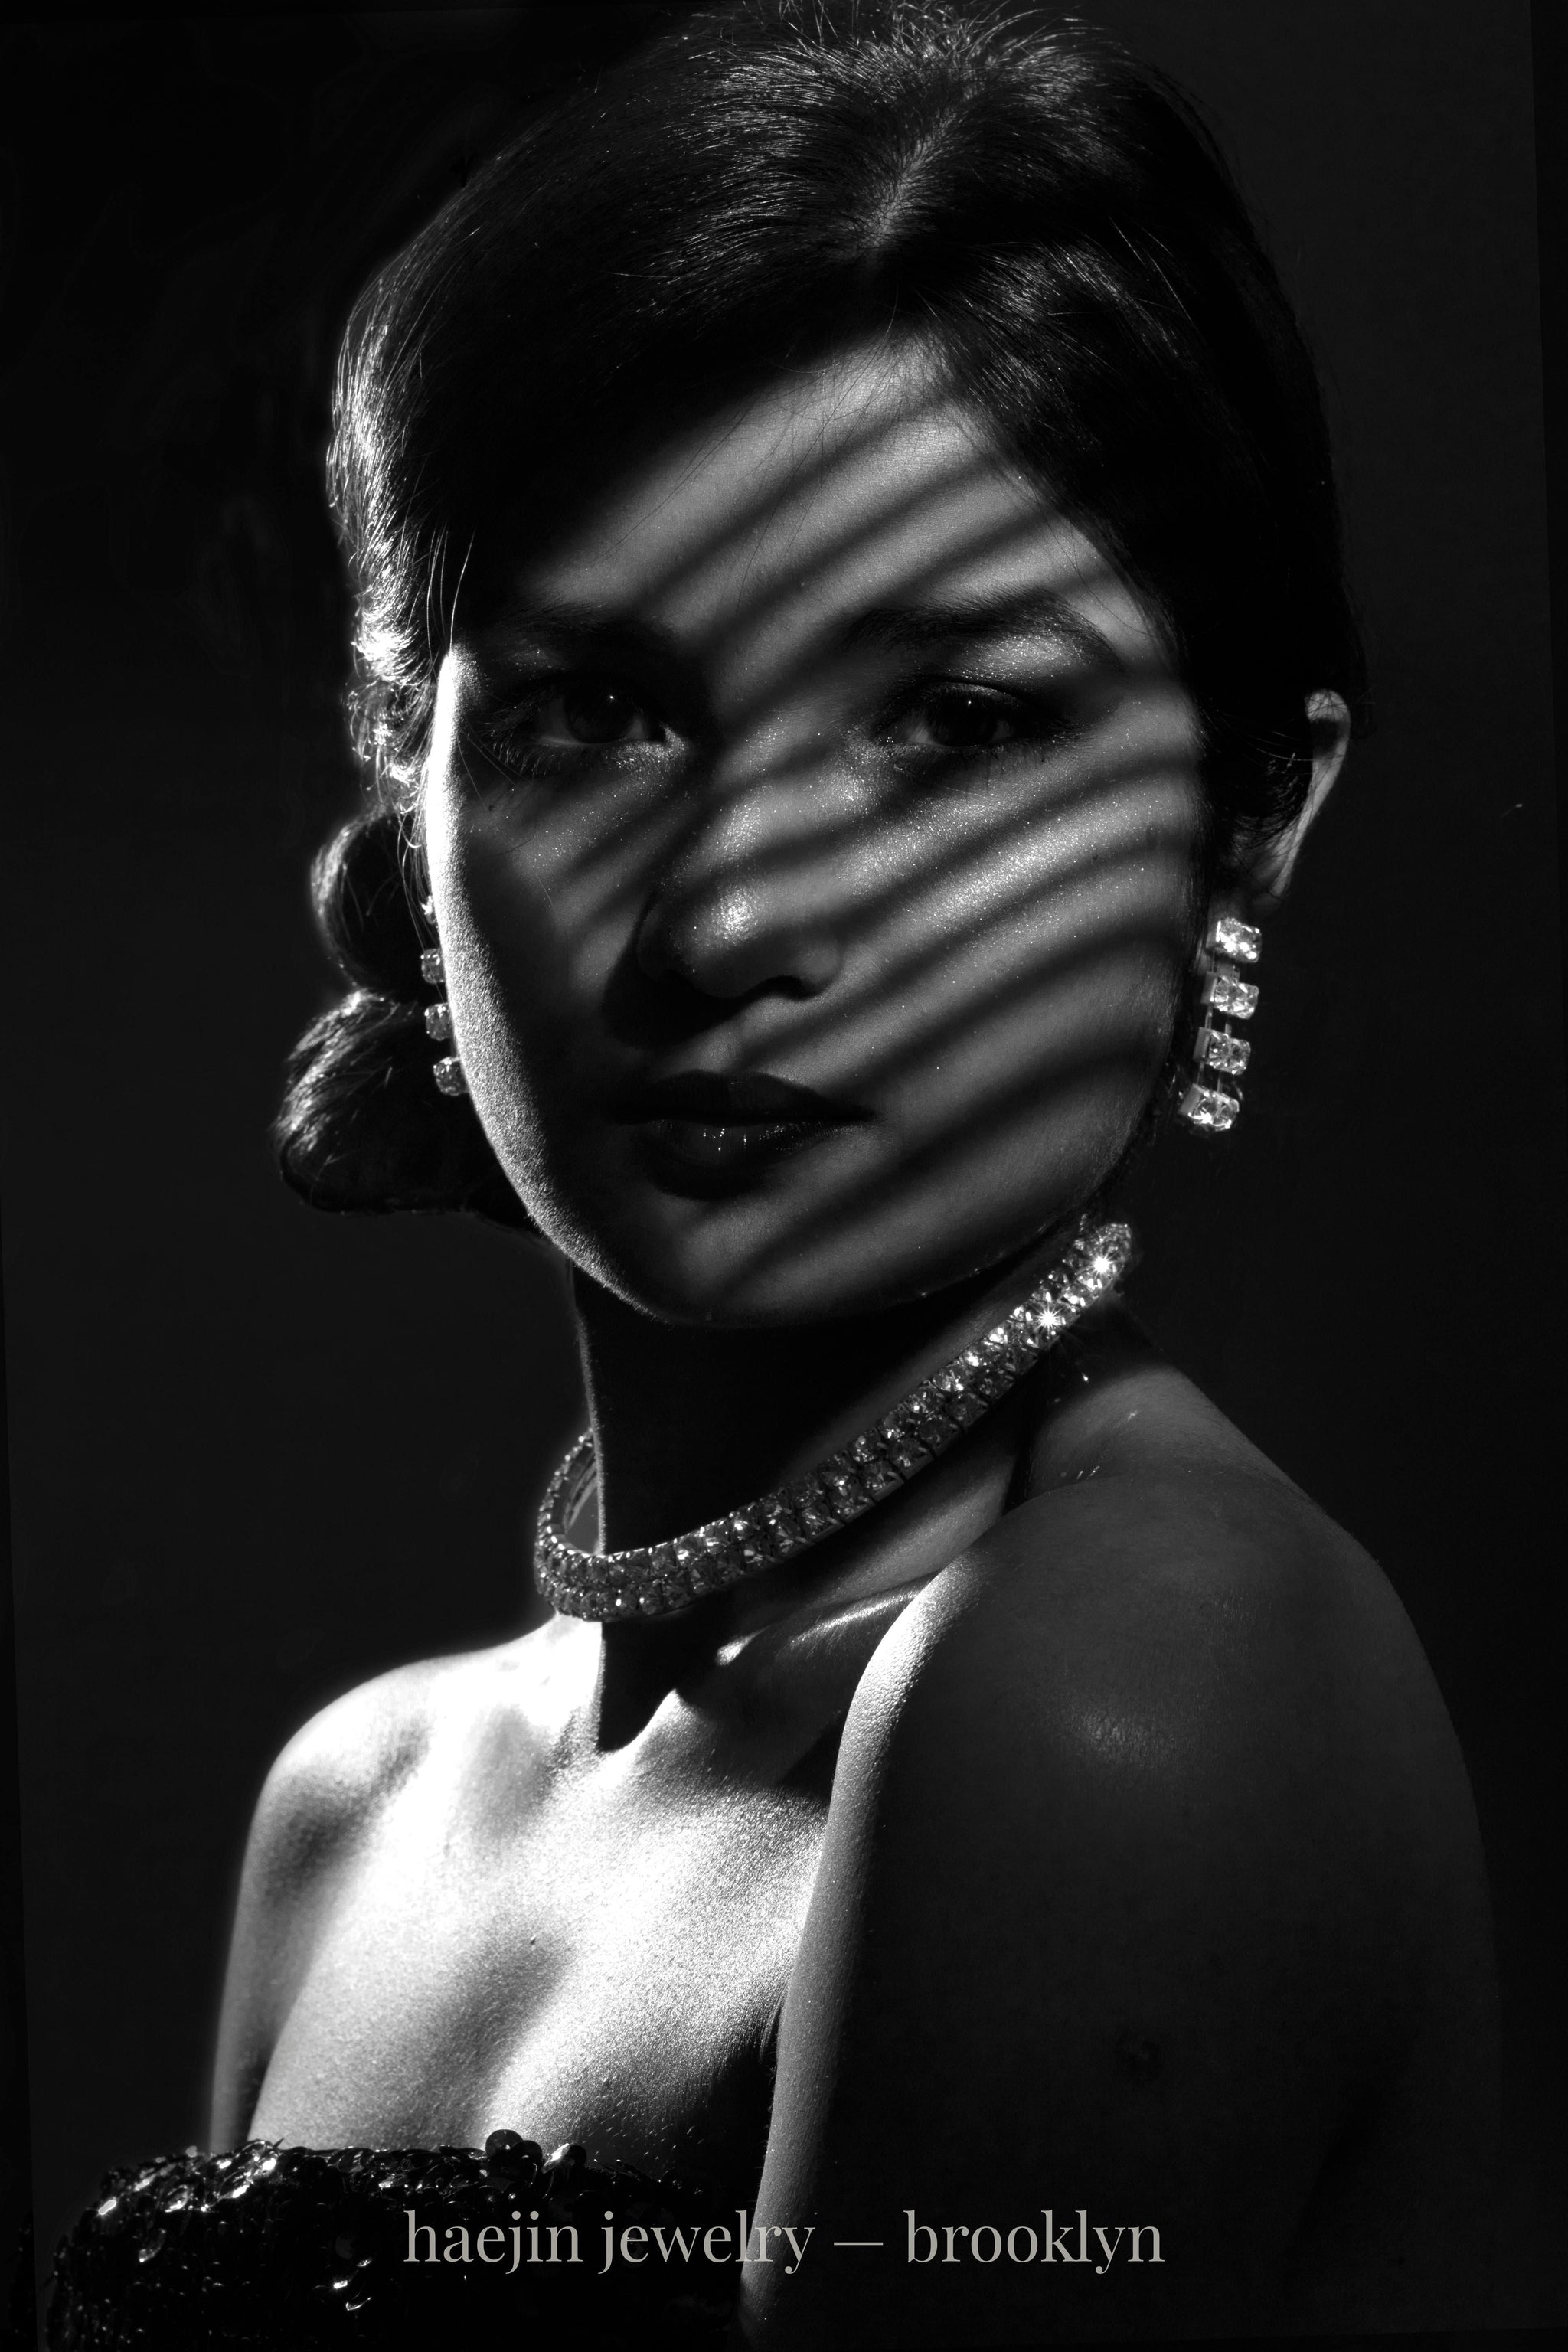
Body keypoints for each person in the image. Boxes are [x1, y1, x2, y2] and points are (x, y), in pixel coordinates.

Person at [48, 5, 1498, 2345]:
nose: (729, 919)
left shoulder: (1126, 1690)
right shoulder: (356, 1802)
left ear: (1256, 812)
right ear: (408, 826)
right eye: (591, 708)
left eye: (958, 723)